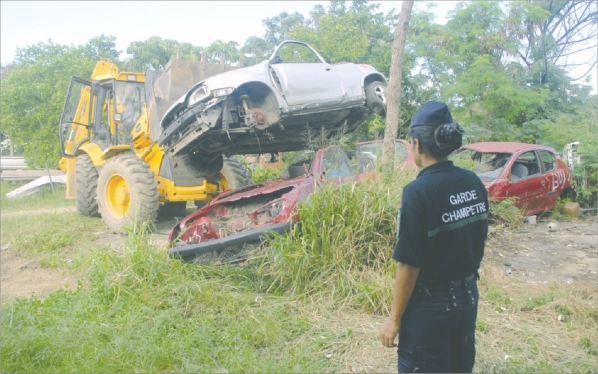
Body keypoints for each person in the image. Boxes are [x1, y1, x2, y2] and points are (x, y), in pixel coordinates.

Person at [379, 101, 488, 373]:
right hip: (468, 299)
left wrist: (394, 318)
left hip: (431, 309)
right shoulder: (473, 181)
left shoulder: (417, 192)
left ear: (416, 145)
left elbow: (408, 263)